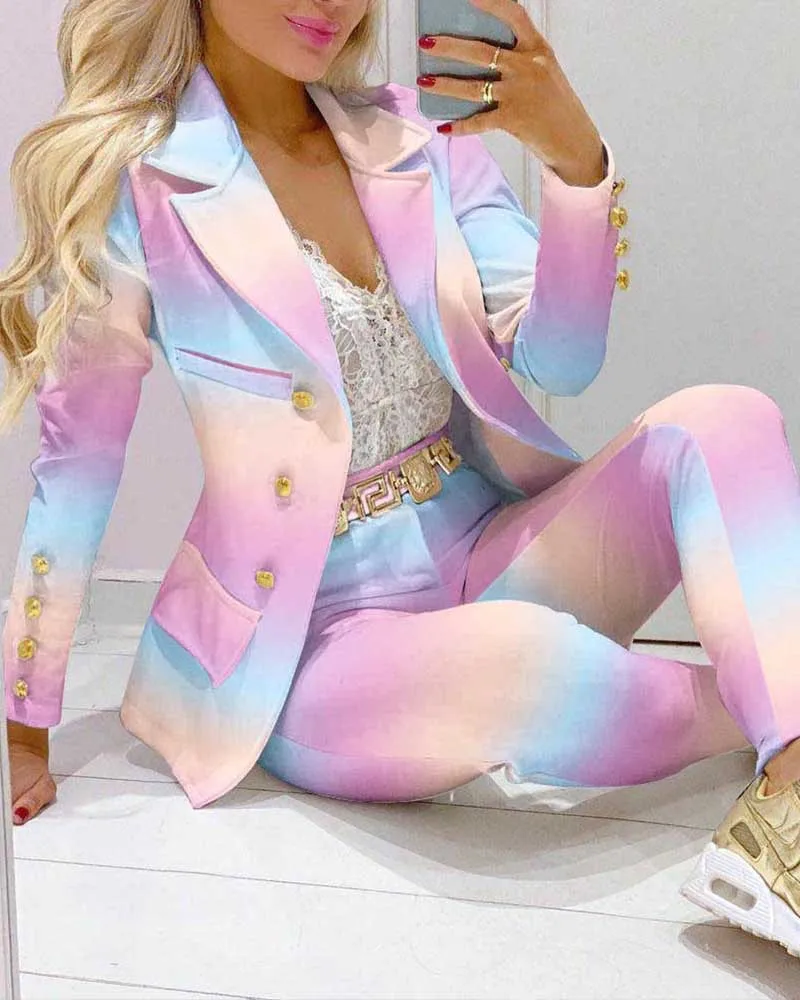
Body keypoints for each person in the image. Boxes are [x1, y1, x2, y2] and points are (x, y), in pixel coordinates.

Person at [1, 0, 799, 961]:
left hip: (492, 550)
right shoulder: (141, 188)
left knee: (726, 417)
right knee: (522, 665)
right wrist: (24, 717)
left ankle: (789, 780)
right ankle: (770, 705)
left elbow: (562, 359)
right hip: (314, 645)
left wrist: (576, 164)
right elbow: (78, 464)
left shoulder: (419, 136)